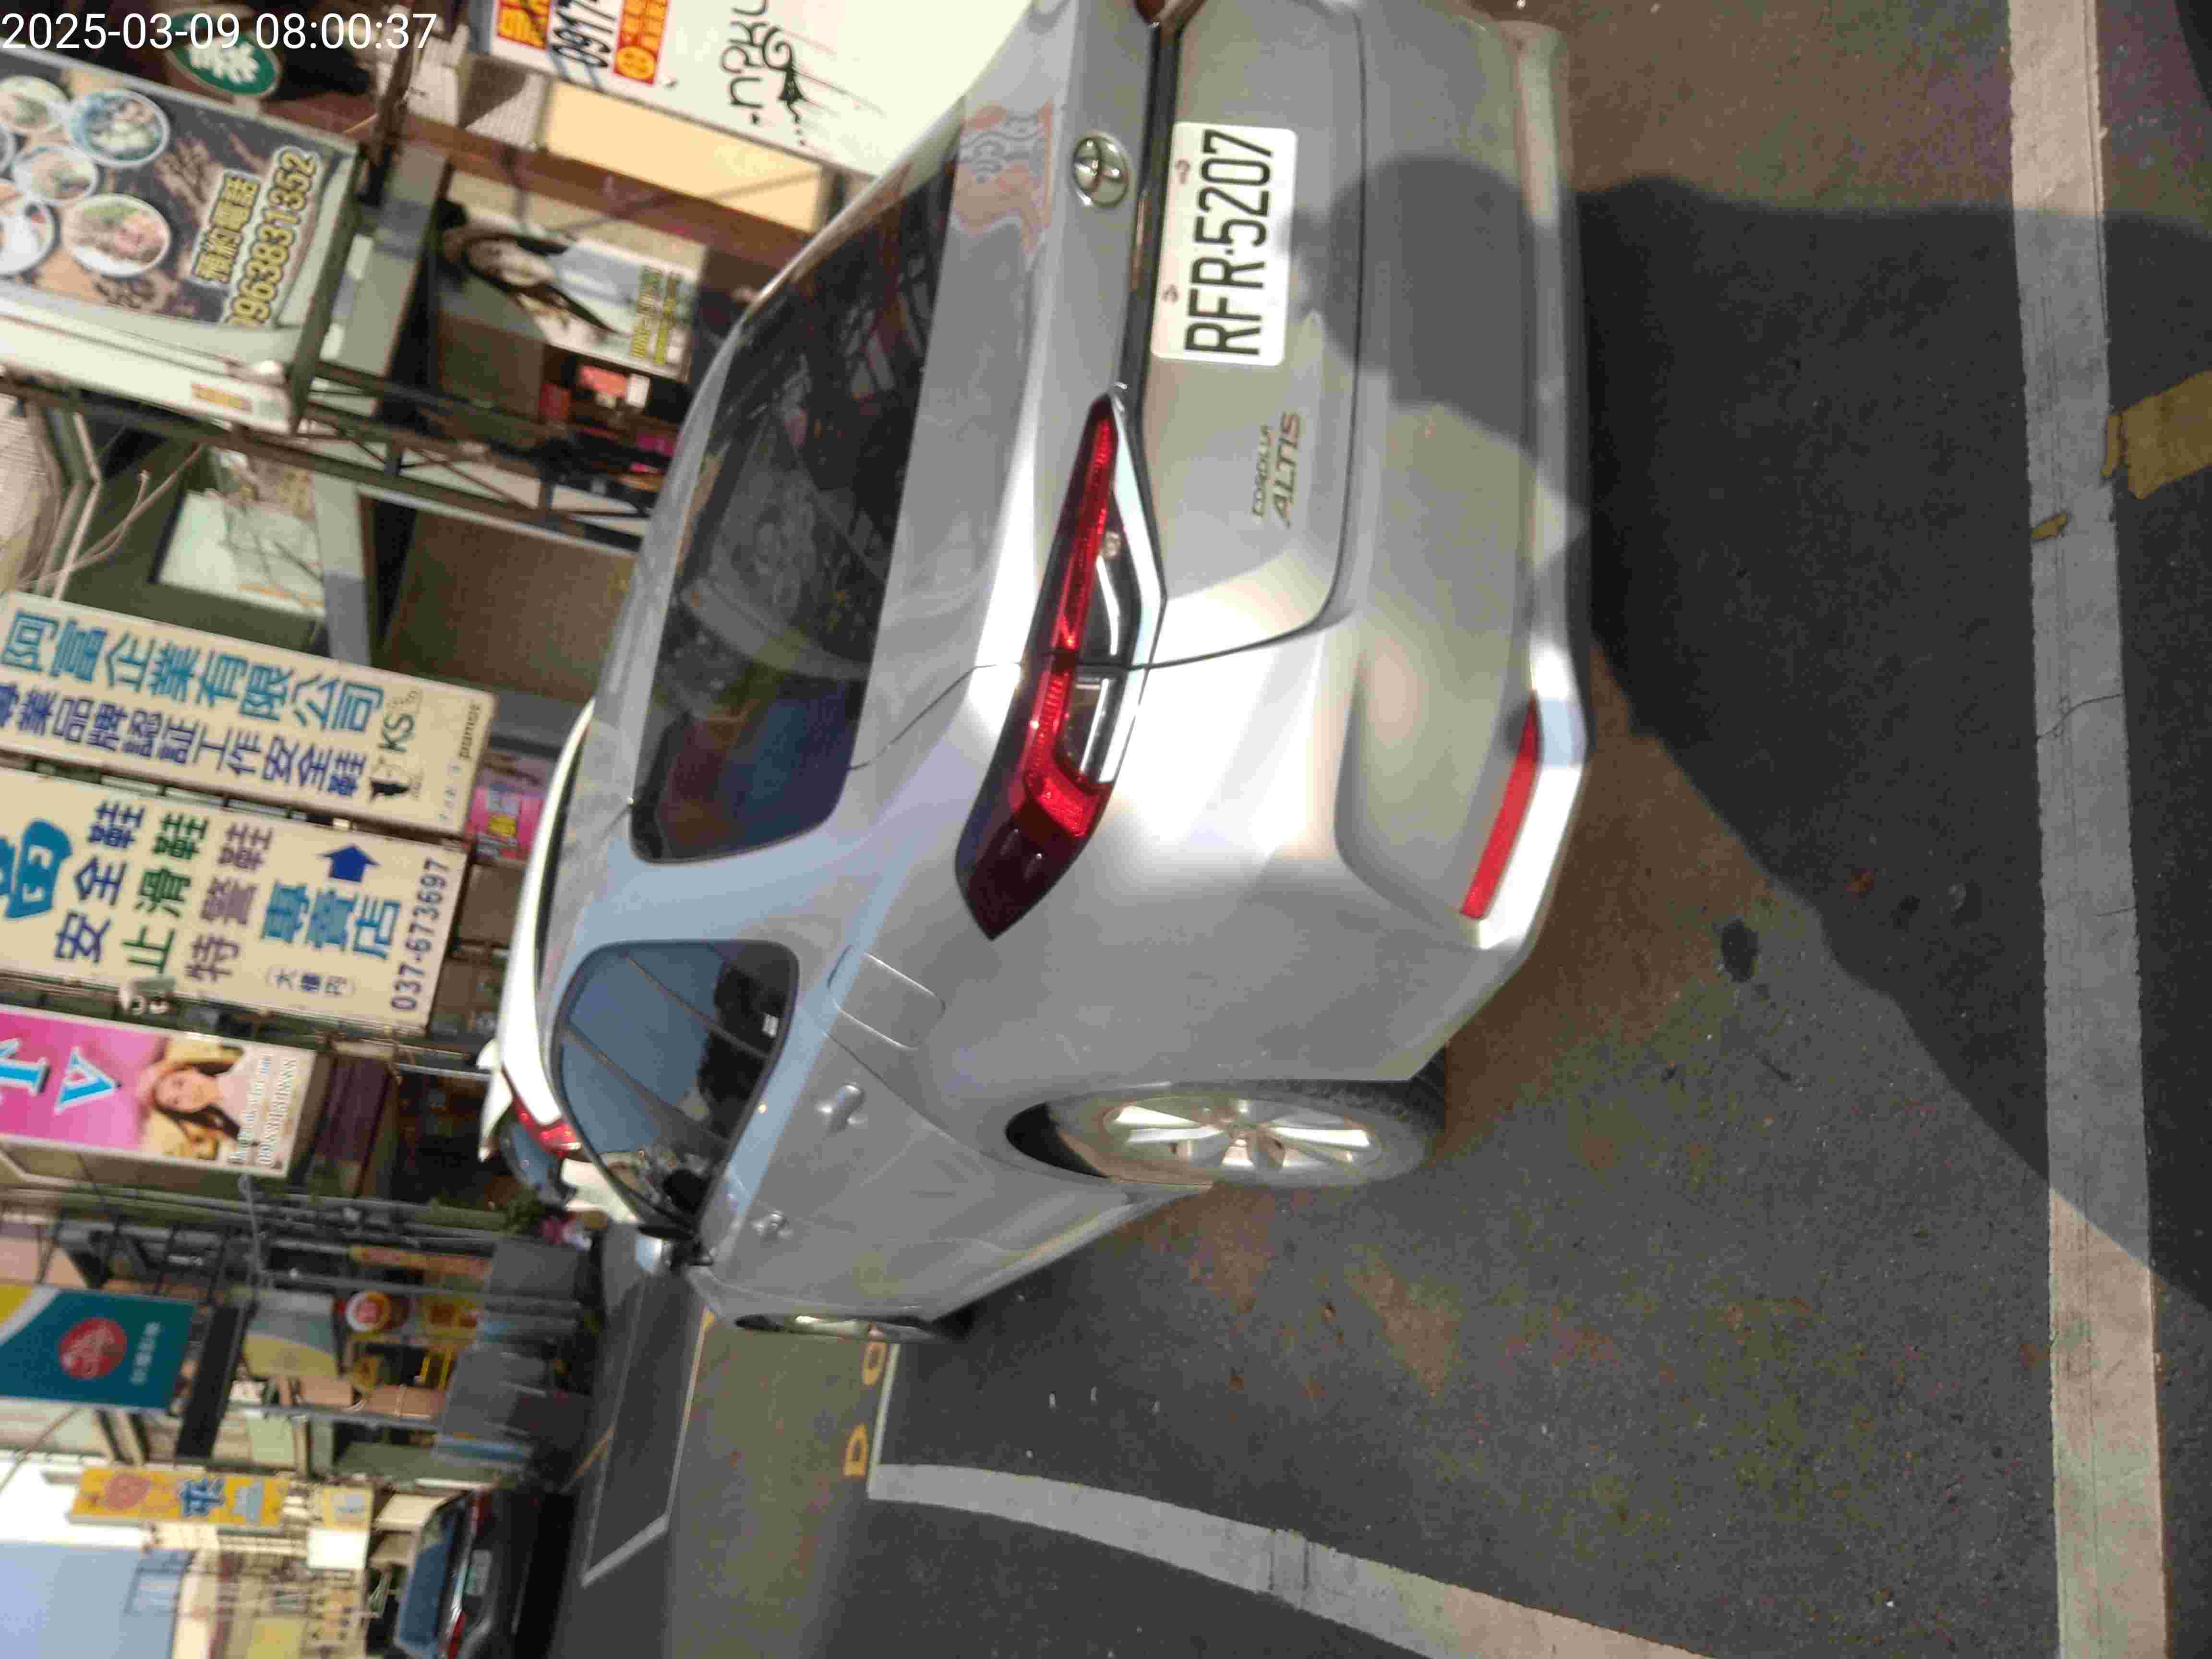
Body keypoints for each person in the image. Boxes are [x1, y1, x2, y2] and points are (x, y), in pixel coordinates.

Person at [136, 1039, 246, 1161]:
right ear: (182, 1111)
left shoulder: (249, 1065)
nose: (188, 1094)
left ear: (190, 1069)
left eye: (180, 1083)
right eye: (176, 1101)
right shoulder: (226, 1125)